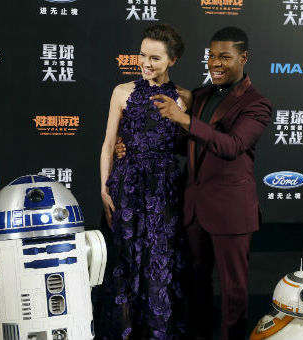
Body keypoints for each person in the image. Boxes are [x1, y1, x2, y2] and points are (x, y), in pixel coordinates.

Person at [117, 27, 272, 340]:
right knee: (195, 286)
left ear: (244, 58)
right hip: (193, 209)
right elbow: (183, 144)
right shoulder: (200, 95)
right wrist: (130, 145)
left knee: (233, 291)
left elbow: (232, 145)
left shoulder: (257, 103)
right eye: (212, 55)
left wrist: (183, 118)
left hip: (231, 211)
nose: (215, 62)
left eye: (224, 57)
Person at [96, 24, 191, 340]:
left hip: (163, 192)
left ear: (172, 61)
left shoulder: (185, 99)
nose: (146, 63)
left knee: (159, 265)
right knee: (124, 265)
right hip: (125, 190)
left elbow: (187, 145)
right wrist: (103, 187)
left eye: (155, 58)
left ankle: (156, 333)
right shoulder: (122, 92)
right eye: (142, 55)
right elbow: (109, 143)